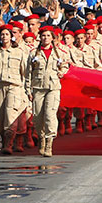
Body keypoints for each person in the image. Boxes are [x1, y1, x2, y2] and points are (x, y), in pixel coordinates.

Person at [0, 25, 31, 154]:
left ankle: (9, 143)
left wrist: (27, 90)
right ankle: (5, 140)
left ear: (11, 36)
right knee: (0, 117)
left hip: (14, 87)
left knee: (10, 114)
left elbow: (26, 73)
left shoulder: (19, 52)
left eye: (7, 34)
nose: (4, 37)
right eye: (2, 34)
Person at [28, 27, 68, 157]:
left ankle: (49, 142)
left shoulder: (58, 53)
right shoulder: (34, 53)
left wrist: (62, 72)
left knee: (50, 114)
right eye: (43, 36)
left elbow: (65, 65)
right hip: (38, 87)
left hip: (53, 87)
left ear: (52, 38)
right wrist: (28, 89)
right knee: (38, 116)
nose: (45, 38)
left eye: (48, 36)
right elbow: (28, 72)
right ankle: (41, 138)